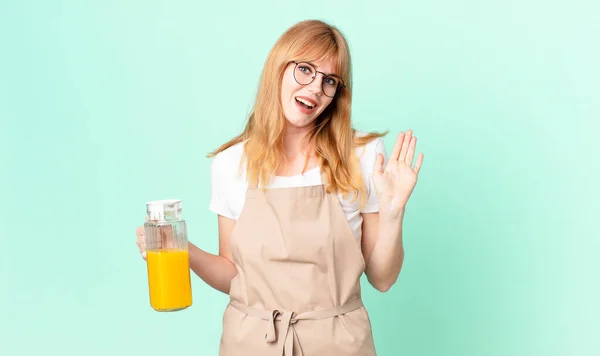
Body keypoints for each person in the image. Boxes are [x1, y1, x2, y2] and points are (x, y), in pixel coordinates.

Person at [136, 19, 423, 356]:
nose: (316, 88)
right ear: (278, 67)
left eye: (329, 80)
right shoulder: (230, 164)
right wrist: (183, 250)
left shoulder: (361, 155)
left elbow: (382, 279)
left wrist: (393, 211)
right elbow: (234, 276)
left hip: (339, 344)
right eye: (305, 69)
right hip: (251, 343)